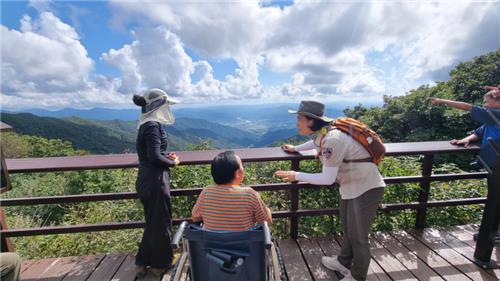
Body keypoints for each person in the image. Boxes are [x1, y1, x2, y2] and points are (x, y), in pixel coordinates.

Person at [275, 101, 385, 281]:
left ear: (311, 121)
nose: (296, 122)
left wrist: (296, 175)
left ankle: (357, 276)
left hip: (366, 188)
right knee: (349, 229)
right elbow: (316, 142)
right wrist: (296, 149)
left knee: (359, 237)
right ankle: (343, 262)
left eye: (299, 118)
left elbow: (327, 179)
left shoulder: (333, 139)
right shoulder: (326, 132)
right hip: (351, 186)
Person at [432, 86, 500, 243]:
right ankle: (493, 230)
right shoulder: (493, 118)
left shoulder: (497, 114)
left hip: (497, 165)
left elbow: (468, 107)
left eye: (487, 102)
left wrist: (442, 101)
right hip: (494, 165)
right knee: (495, 198)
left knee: (496, 200)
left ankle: (492, 233)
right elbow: (480, 132)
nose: (484, 106)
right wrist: (467, 139)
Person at [132, 88, 181, 278]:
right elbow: (154, 156)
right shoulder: (152, 125)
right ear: (158, 106)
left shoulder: (145, 124)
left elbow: (151, 153)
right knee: (161, 223)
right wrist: (173, 162)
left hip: (145, 179)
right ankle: (160, 264)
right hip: (155, 180)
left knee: (153, 222)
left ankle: (142, 262)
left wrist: (165, 156)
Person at [191, 151, 272, 231]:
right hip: (244, 243)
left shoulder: (206, 192)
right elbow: (267, 221)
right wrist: (266, 209)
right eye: (242, 165)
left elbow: (195, 217)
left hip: (212, 243)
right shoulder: (249, 194)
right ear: (237, 173)